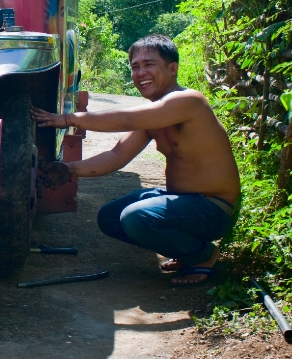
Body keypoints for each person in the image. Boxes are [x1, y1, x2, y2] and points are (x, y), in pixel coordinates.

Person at [31, 34, 240, 285]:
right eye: (134, 67)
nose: (140, 73)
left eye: (149, 65)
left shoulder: (188, 101)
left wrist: (68, 119)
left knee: (136, 217)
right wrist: (69, 169)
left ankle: (204, 255)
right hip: (184, 203)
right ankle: (186, 250)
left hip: (212, 209)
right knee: (110, 217)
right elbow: (117, 155)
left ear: (172, 68)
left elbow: (127, 119)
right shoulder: (154, 113)